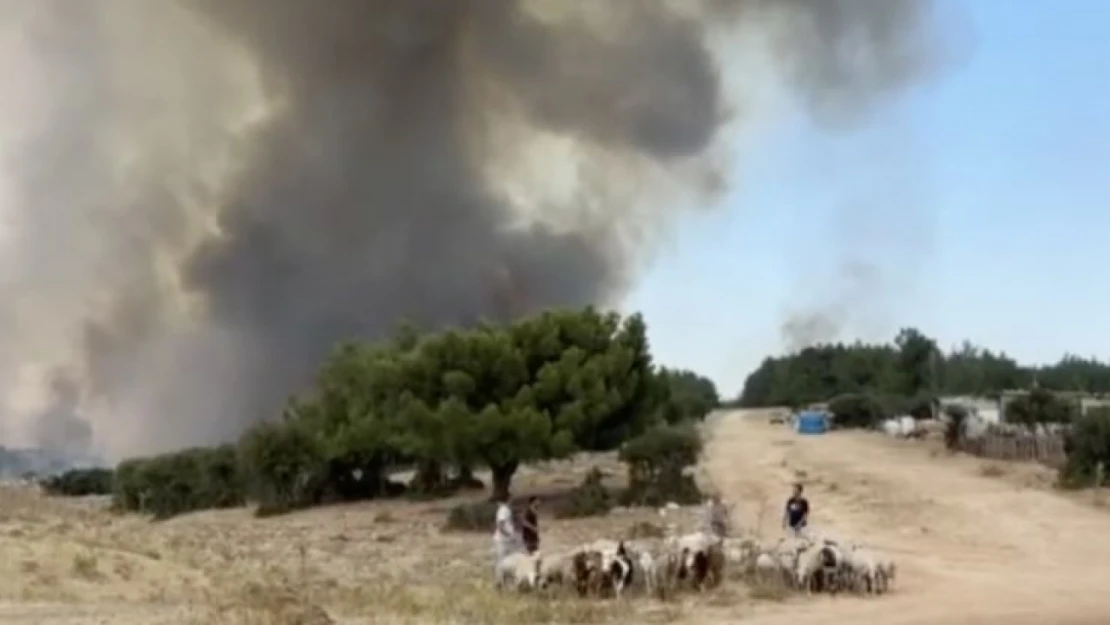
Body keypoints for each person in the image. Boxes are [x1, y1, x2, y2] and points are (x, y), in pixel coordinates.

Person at [492, 493, 518, 577]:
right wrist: (508, 535)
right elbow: (500, 525)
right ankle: (500, 579)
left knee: (508, 559)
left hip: (506, 539)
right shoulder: (504, 510)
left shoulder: (505, 509)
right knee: (502, 560)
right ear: (508, 499)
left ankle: (505, 577)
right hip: (503, 540)